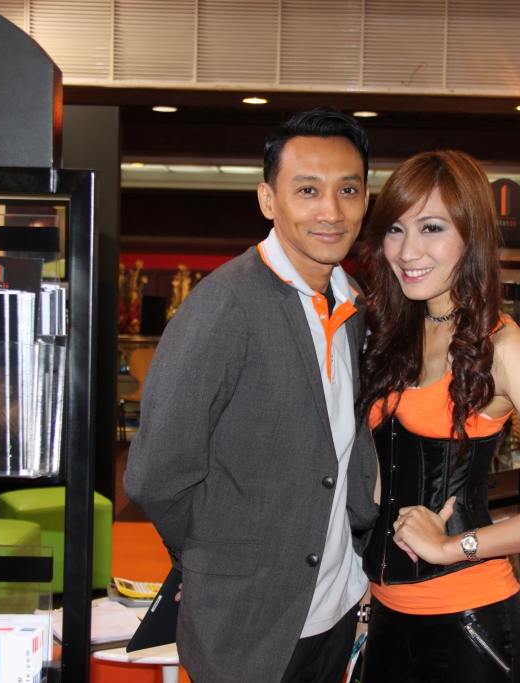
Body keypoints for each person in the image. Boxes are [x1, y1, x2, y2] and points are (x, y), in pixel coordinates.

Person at [124, 108, 379, 683]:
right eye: (307, 190)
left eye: (347, 190)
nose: (331, 211)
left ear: (367, 200)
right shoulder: (225, 305)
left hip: (337, 606)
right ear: (268, 199)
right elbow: (155, 474)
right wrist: (208, 561)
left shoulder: (356, 302)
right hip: (247, 625)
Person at [356, 150, 520, 682]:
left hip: (470, 628)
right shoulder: (392, 335)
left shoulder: (503, 346)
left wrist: (455, 546)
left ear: (471, 236)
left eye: (432, 228)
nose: (408, 250)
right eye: (396, 229)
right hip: (383, 619)